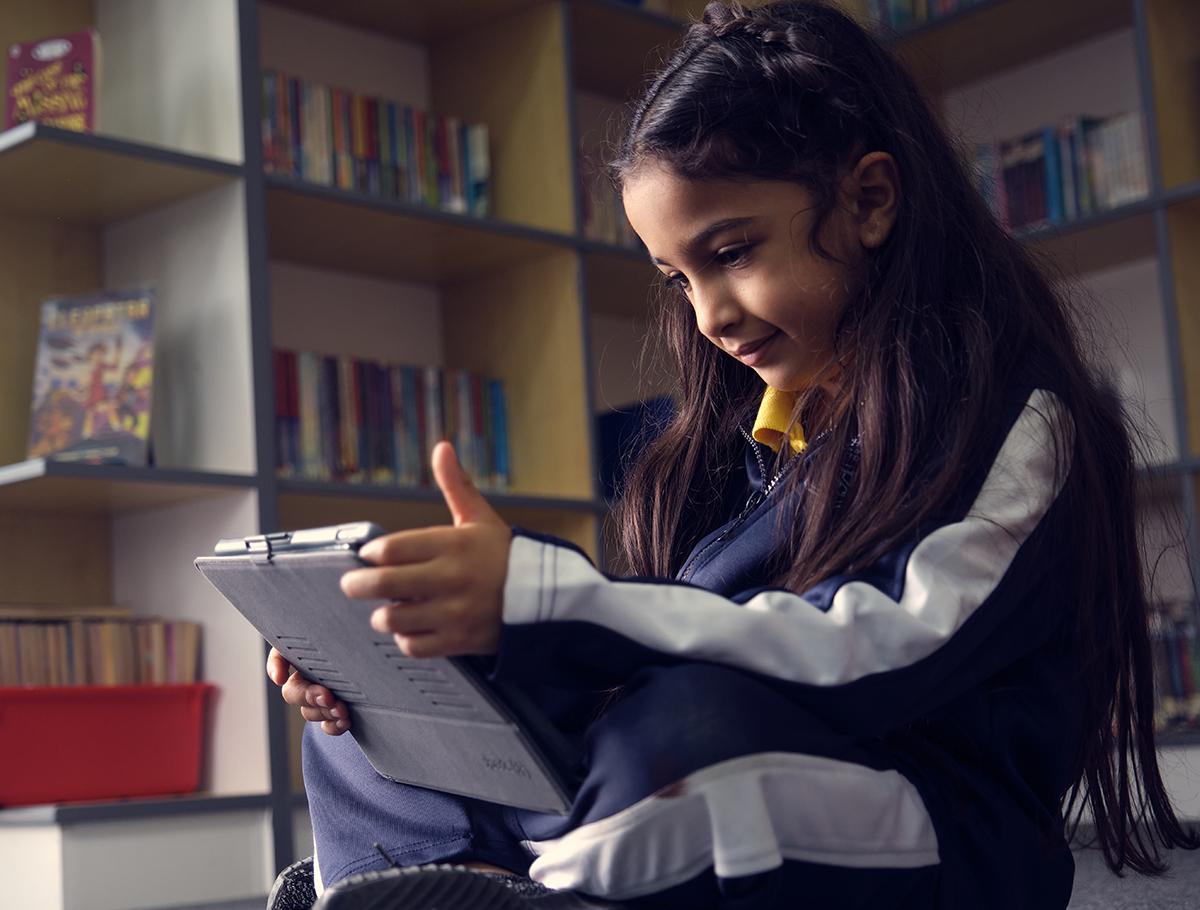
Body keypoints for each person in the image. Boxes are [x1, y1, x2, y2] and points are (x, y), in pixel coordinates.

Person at [266, 2, 1200, 908]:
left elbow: (878, 655)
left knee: (684, 738)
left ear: (871, 199)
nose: (708, 315)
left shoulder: (1013, 414)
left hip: (929, 833)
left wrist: (554, 596)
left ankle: (525, 884)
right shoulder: (733, 442)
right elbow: (662, 648)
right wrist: (455, 653)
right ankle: (455, 886)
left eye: (733, 251)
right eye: (679, 278)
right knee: (372, 735)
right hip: (699, 810)